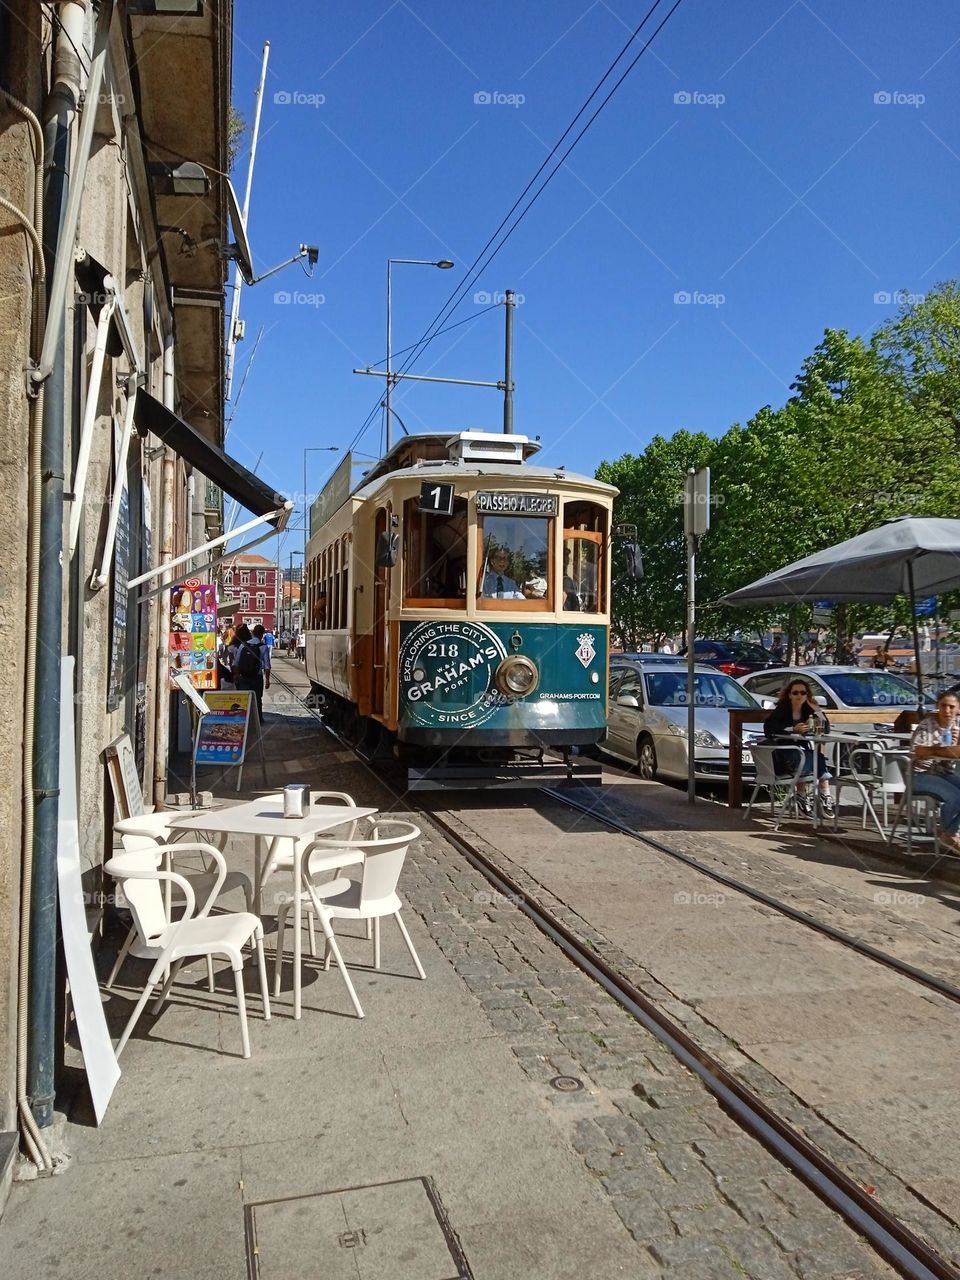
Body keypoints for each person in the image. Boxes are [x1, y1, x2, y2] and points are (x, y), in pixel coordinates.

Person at [763, 678, 834, 816]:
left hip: (800, 752)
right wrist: (792, 729)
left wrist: (818, 710)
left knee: (815, 756)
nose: (799, 696)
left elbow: (826, 729)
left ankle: (804, 795)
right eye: (795, 692)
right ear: (789, 695)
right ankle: (823, 794)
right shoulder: (782, 710)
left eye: (803, 692)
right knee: (811, 757)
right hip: (783, 755)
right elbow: (769, 729)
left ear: (807, 695)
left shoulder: (809, 711)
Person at [910, 691, 960, 852]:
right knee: (955, 796)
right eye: (943, 706)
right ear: (937, 707)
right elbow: (919, 751)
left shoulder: (957, 726)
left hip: (944, 774)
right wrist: (944, 749)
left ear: (958, 709)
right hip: (920, 774)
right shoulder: (928, 724)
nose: (947, 710)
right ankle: (949, 835)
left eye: (951, 707)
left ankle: (947, 832)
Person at [233, 622, 270, 722]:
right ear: (262, 634)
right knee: (257, 699)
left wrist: (236, 676)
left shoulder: (243, 645)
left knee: (243, 698)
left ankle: (242, 720)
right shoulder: (263, 647)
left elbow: (236, 663)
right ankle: (258, 720)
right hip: (256, 678)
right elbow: (267, 666)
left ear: (253, 633)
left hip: (243, 677)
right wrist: (267, 680)